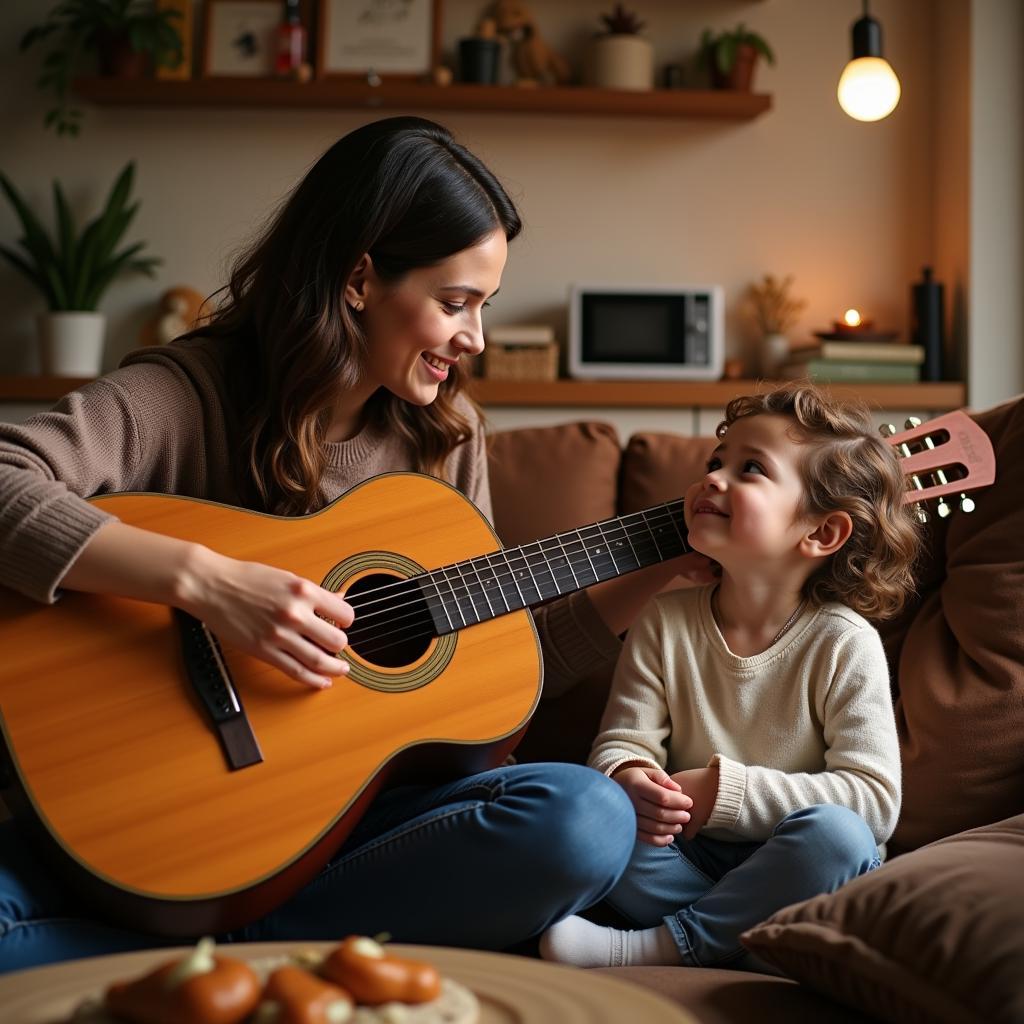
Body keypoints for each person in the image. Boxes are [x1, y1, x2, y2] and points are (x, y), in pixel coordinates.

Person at [0, 116, 714, 973]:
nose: (475, 338)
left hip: (358, 829)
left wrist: (665, 556)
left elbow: (497, 664)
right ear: (358, 278)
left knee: (586, 818)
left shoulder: (447, 438)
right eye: (454, 303)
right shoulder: (189, 395)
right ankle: (258, 949)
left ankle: (213, 955)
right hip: (160, 810)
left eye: (481, 307)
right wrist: (208, 584)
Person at [539, 382, 921, 971]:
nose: (714, 479)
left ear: (821, 533)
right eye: (716, 463)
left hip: (794, 860)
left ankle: (663, 947)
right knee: (599, 819)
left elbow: (873, 801)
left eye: (751, 469)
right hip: (684, 858)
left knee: (840, 838)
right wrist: (632, 776)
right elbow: (622, 737)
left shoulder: (845, 643)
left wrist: (723, 793)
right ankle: (745, 936)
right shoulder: (664, 620)